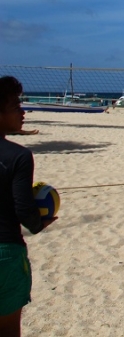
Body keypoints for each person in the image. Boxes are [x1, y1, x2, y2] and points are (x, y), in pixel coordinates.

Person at [0, 76, 58, 336]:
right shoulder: (19, 156)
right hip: (5, 253)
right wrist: (39, 224)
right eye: (15, 106)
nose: (23, 112)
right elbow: (24, 209)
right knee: (9, 328)